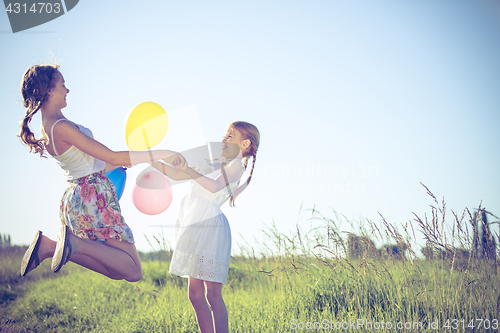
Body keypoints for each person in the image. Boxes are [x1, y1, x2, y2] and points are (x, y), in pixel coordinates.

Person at [19, 64, 180, 282]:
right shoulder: (59, 127)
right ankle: (73, 244)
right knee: (132, 270)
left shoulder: (51, 126)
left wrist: (124, 164)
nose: (67, 90)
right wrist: (161, 153)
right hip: (92, 196)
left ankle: (52, 247)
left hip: (82, 196)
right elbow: (111, 157)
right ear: (49, 90)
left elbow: (94, 164)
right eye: (63, 85)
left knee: (117, 270)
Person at [150, 121, 260, 333]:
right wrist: (149, 159)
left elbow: (215, 186)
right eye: (225, 135)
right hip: (194, 225)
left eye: (230, 136)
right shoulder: (215, 163)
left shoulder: (237, 165)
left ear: (245, 143)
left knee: (212, 294)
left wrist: (189, 171)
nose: (224, 139)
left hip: (209, 227)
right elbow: (175, 174)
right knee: (195, 294)